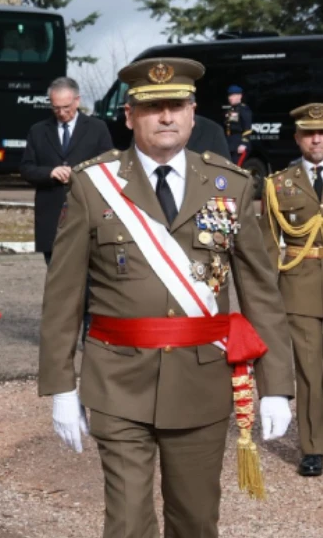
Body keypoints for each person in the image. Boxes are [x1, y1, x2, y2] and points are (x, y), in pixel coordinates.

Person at [39, 58, 294, 538]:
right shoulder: (94, 185)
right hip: (117, 379)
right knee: (127, 522)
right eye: (152, 107)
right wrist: (61, 385)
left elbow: (261, 293)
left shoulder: (230, 185)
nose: (166, 117)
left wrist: (276, 384)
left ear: (193, 113)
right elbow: (63, 295)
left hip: (201, 381)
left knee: (195, 521)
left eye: (176, 105)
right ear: (130, 115)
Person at [262, 102, 323, 477]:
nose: (317, 139)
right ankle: (315, 446)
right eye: (309, 133)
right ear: (298, 137)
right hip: (300, 287)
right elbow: (269, 246)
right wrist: (265, 300)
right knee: (310, 371)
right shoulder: (278, 185)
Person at [20, 77, 113, 264]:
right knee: (56, 279)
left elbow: (108, 166)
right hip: (51, 216)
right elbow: (26, 168)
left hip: (86, 214)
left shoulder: (97, 128)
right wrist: (50, 173)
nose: (61, 113)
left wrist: (80, 175)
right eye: (56, 108)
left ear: (77, 101)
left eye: (66, 107)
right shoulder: (38, 131)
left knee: (87, 280)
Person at [224, 84, 254, 161]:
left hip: (239, 144)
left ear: (240, 96)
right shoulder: (231, 110)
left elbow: (247, 127)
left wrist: (244, 144)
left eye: (233, 96)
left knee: (236, 169)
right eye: (229, 96)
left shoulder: (243, 109)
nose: (230, 98)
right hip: (231, 144)